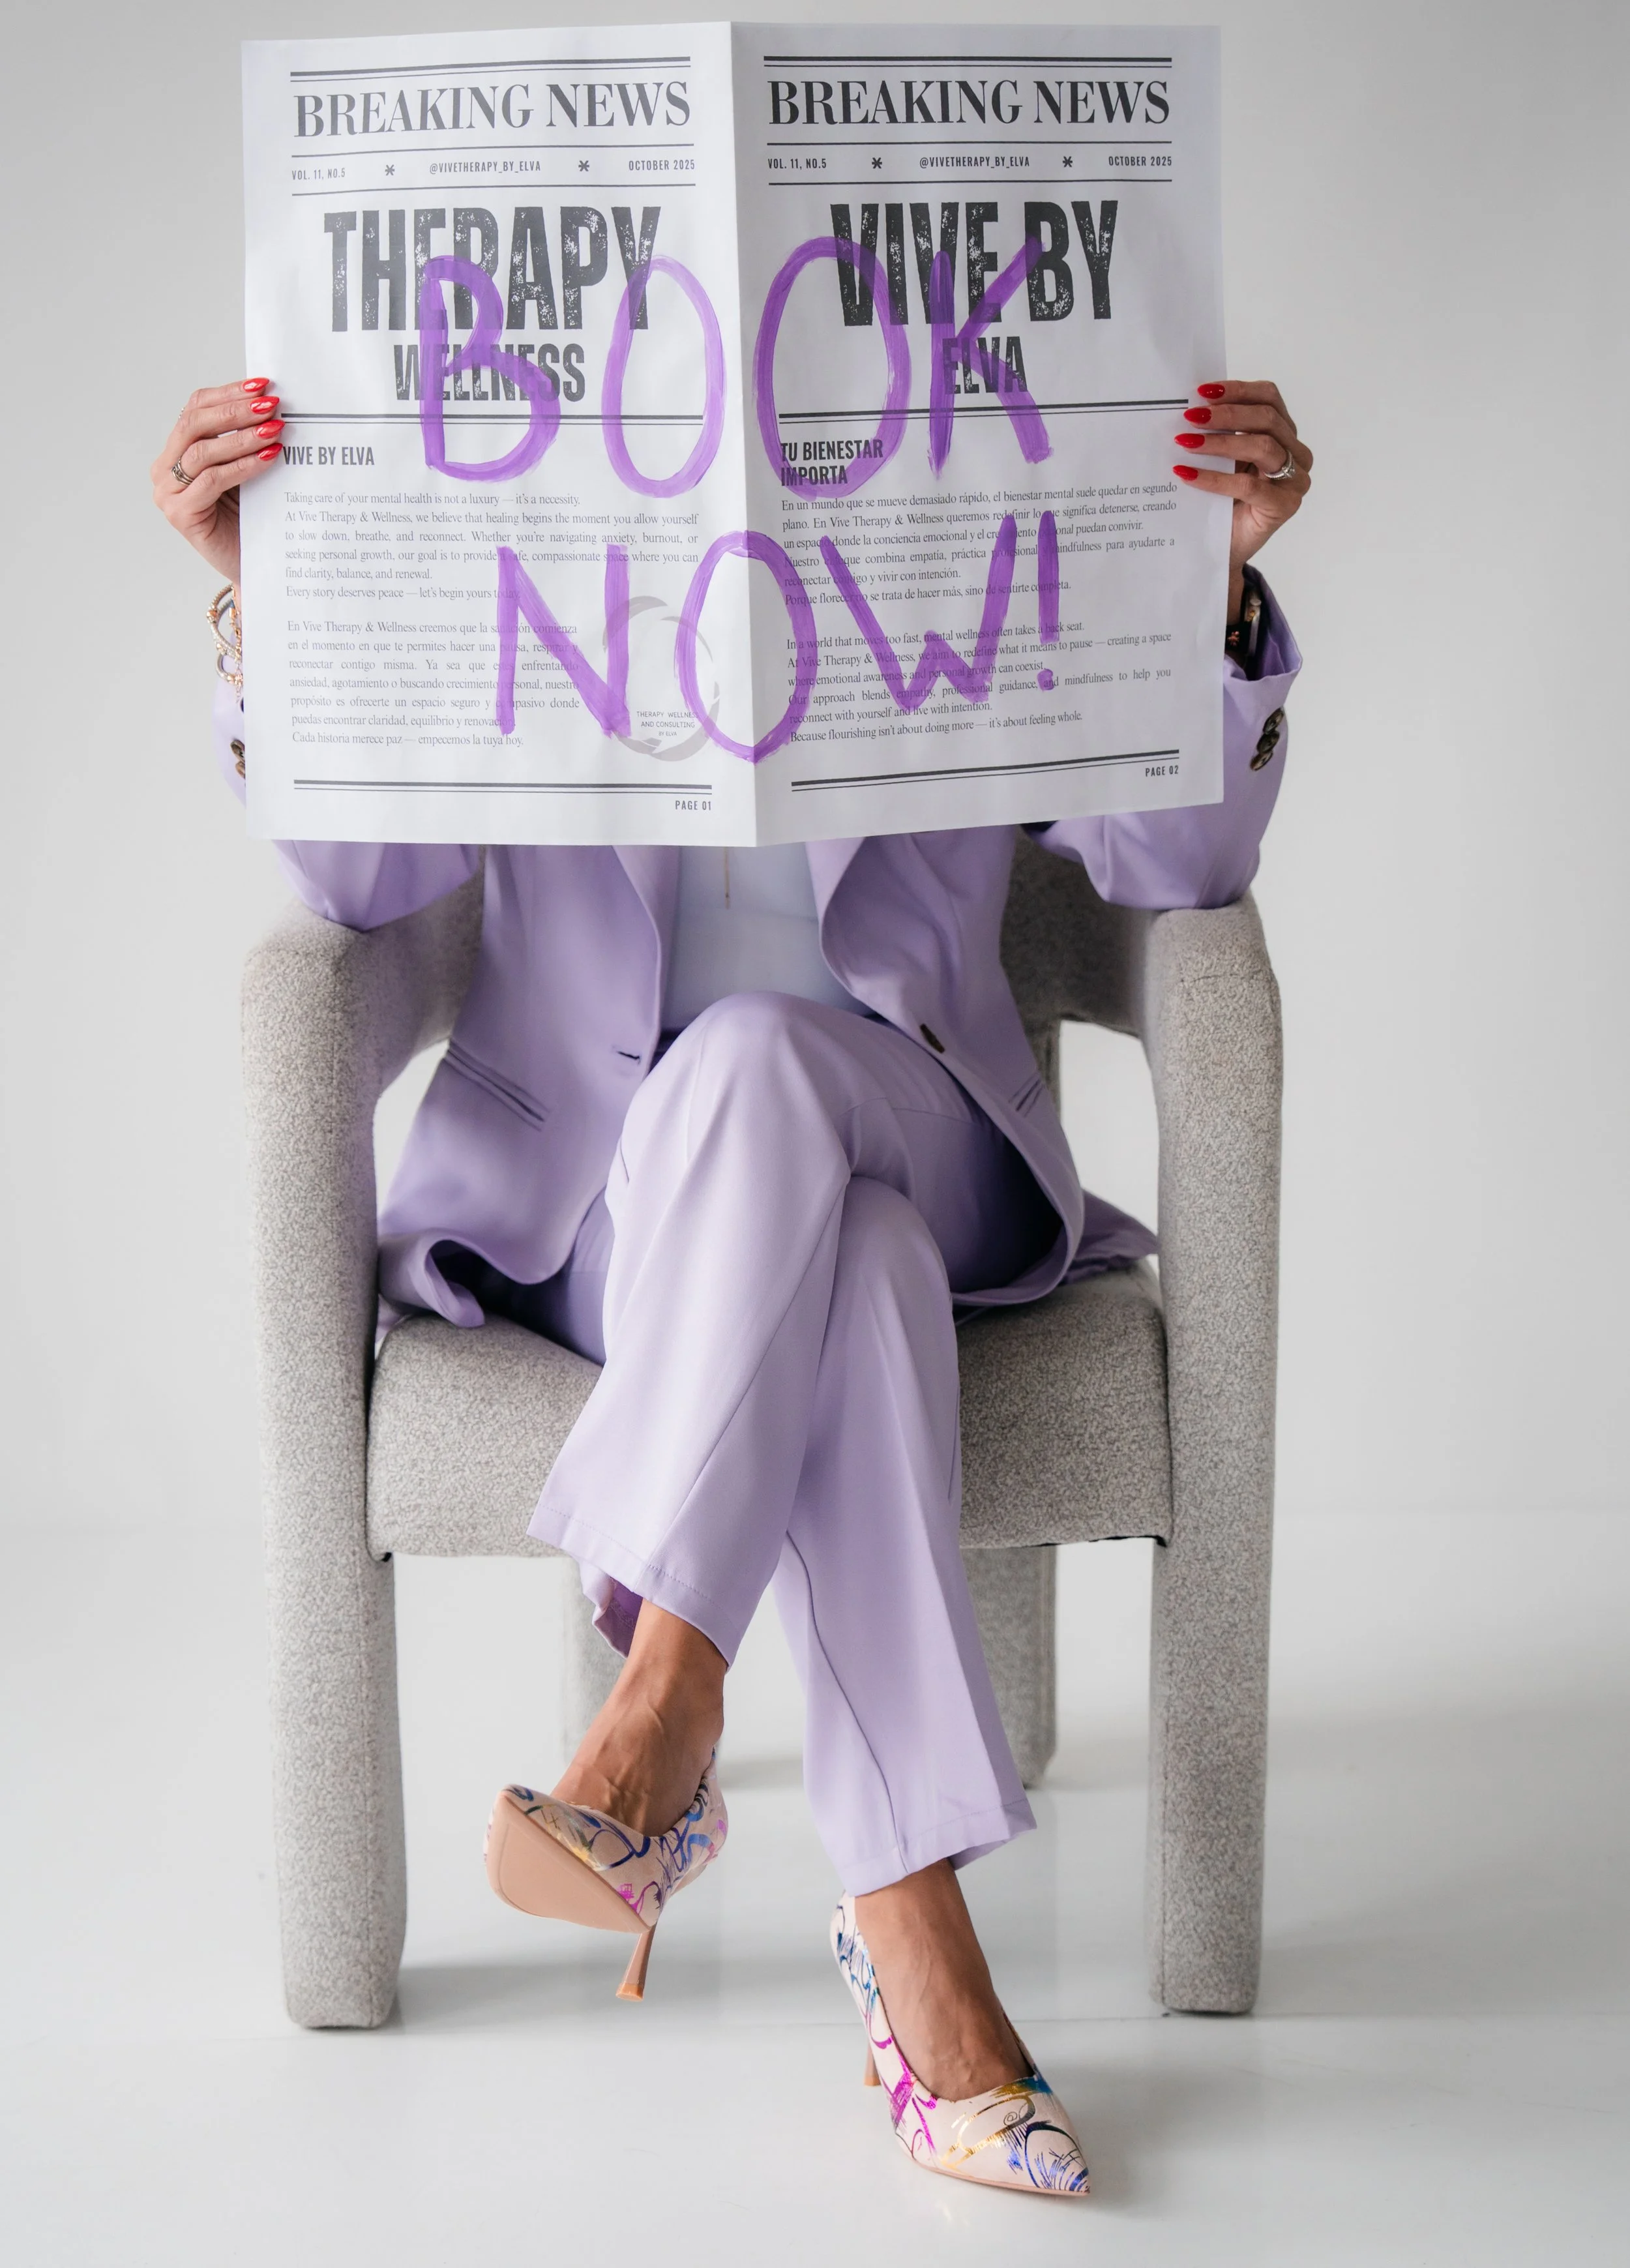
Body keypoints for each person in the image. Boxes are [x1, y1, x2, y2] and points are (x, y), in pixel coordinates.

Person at [154, 370, 1309, 2198]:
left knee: (768, 1059)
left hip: (923, 1127)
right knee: (830, 1246)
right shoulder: (517, 500)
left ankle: (659, 1700)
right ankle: (911, 1928)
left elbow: (1171, 863)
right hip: (617, 1222)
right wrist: (268, 598)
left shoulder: (960, 477)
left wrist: (1211, 587)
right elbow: (359, 878)